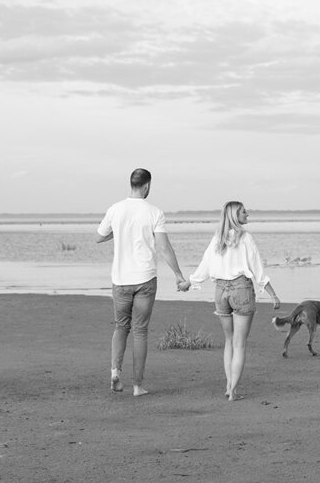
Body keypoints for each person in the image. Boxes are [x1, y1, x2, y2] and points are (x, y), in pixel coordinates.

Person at [96, 167, 191, 397]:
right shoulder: (154, 212)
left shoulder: (115, 209)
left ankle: (115, 372)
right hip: (145, 279)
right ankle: (138, 385)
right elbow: (163, 247)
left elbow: (99, 236)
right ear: (147, 185)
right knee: (140, 331)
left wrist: (118, 231)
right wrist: (178, 275)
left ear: (131, 184)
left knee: (121, 327)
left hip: (120, 280)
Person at [187, 201, 281, 401]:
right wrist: (273, 294)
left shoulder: (217, 239)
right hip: (240, 290)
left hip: (220, 291)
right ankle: (233, 392)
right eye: (243, 212)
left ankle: (230, 386)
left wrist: (189, 282)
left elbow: (204, 266)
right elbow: (258, 269)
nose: (248, 214)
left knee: (229, 342)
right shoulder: (246, 238)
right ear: (234, 216)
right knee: (239, 344)